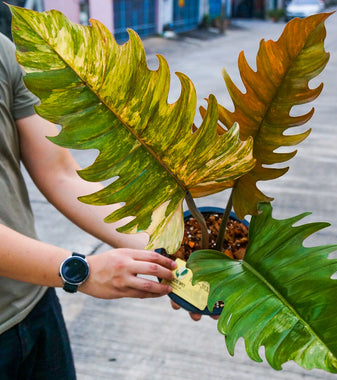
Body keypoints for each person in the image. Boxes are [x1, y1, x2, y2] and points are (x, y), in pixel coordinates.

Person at [0, 31, 205, 379]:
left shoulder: (2, 51)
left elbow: (61, 174)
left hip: (33, 305)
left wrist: (171, 254)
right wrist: (79, 272)